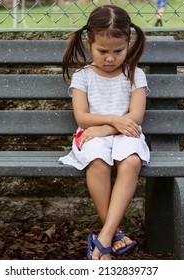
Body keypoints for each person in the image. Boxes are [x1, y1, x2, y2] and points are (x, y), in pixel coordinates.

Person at [59, 5, 150, 260]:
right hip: (90, 135)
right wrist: (111, 120)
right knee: (97, 162)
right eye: (103, 51)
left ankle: (104, 238)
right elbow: (82, 117)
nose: (110, 58)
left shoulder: (134, 74)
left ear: (128, 43)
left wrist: (110, 127)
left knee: (131, 161)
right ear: (89, 42)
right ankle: (113, 235)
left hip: (126, 133)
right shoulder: (83, 76)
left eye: (118, 51)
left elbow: (136, 115)